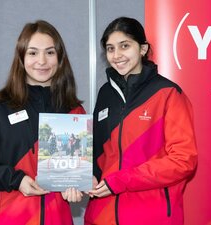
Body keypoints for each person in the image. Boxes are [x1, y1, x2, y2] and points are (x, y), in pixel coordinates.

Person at [0, 20, 84, 225]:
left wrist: (75, 185)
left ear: (60, 58)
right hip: (6, 217)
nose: (42, 60)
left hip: (55, 218)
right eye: (32, 53)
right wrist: (16, 180)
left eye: (50, 52)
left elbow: (74, 172)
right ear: (21, 57)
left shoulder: (73, 111)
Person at [84, 17, 198, 225]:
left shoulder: (168, 94)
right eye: (110, 49)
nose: (116, 55)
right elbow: (96, 150)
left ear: (143, 49)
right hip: (103, 214)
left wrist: (122, 180)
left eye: (124, 46)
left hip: (151, 215)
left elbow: (183, 160)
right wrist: (86, 175)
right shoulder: (105, 94)